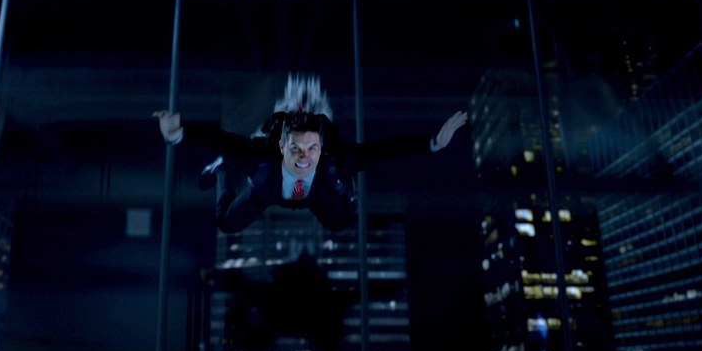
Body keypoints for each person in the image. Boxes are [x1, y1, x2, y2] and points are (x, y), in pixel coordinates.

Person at [152, 77, 468, 233]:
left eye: (311, 149)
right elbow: (216, 139)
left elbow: (386, 149)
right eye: (296, 149)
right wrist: (176, 134)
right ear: (282, 148)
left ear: (321, 148)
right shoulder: (260, 160)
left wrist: (433, 143)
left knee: (341, 222)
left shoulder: (335, 162)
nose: (304, 158)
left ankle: (347, 195)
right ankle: (223, 171)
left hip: (320, 194)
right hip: (267, 191)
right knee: (226, 223)